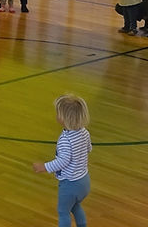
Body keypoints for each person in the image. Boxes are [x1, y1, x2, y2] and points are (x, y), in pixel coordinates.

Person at [33, 94, 92, 227]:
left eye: (58, 114)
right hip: (84, 181)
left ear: (64, 119)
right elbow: (89, 148)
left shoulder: (66, 140)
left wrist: (45, 167)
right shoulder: (84, 132)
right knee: (75, 206)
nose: (56, 116)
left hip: (70, 184)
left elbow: (63, 161)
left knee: (63, 211)